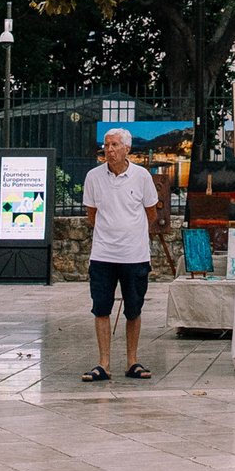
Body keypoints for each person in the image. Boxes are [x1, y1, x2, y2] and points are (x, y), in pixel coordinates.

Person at [81, 127, 161, 383]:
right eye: (106, 145)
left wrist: (131, 233)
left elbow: (151, 212)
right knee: (101, 307)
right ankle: (103, 364)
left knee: (133, 308)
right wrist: (110, 233)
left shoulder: (141, 176)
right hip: (103, 254)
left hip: (134, 255)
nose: (109, 150)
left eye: (115, 145)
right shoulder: (93, 177)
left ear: (127, 148)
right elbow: (92, 214)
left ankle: (132, 361)